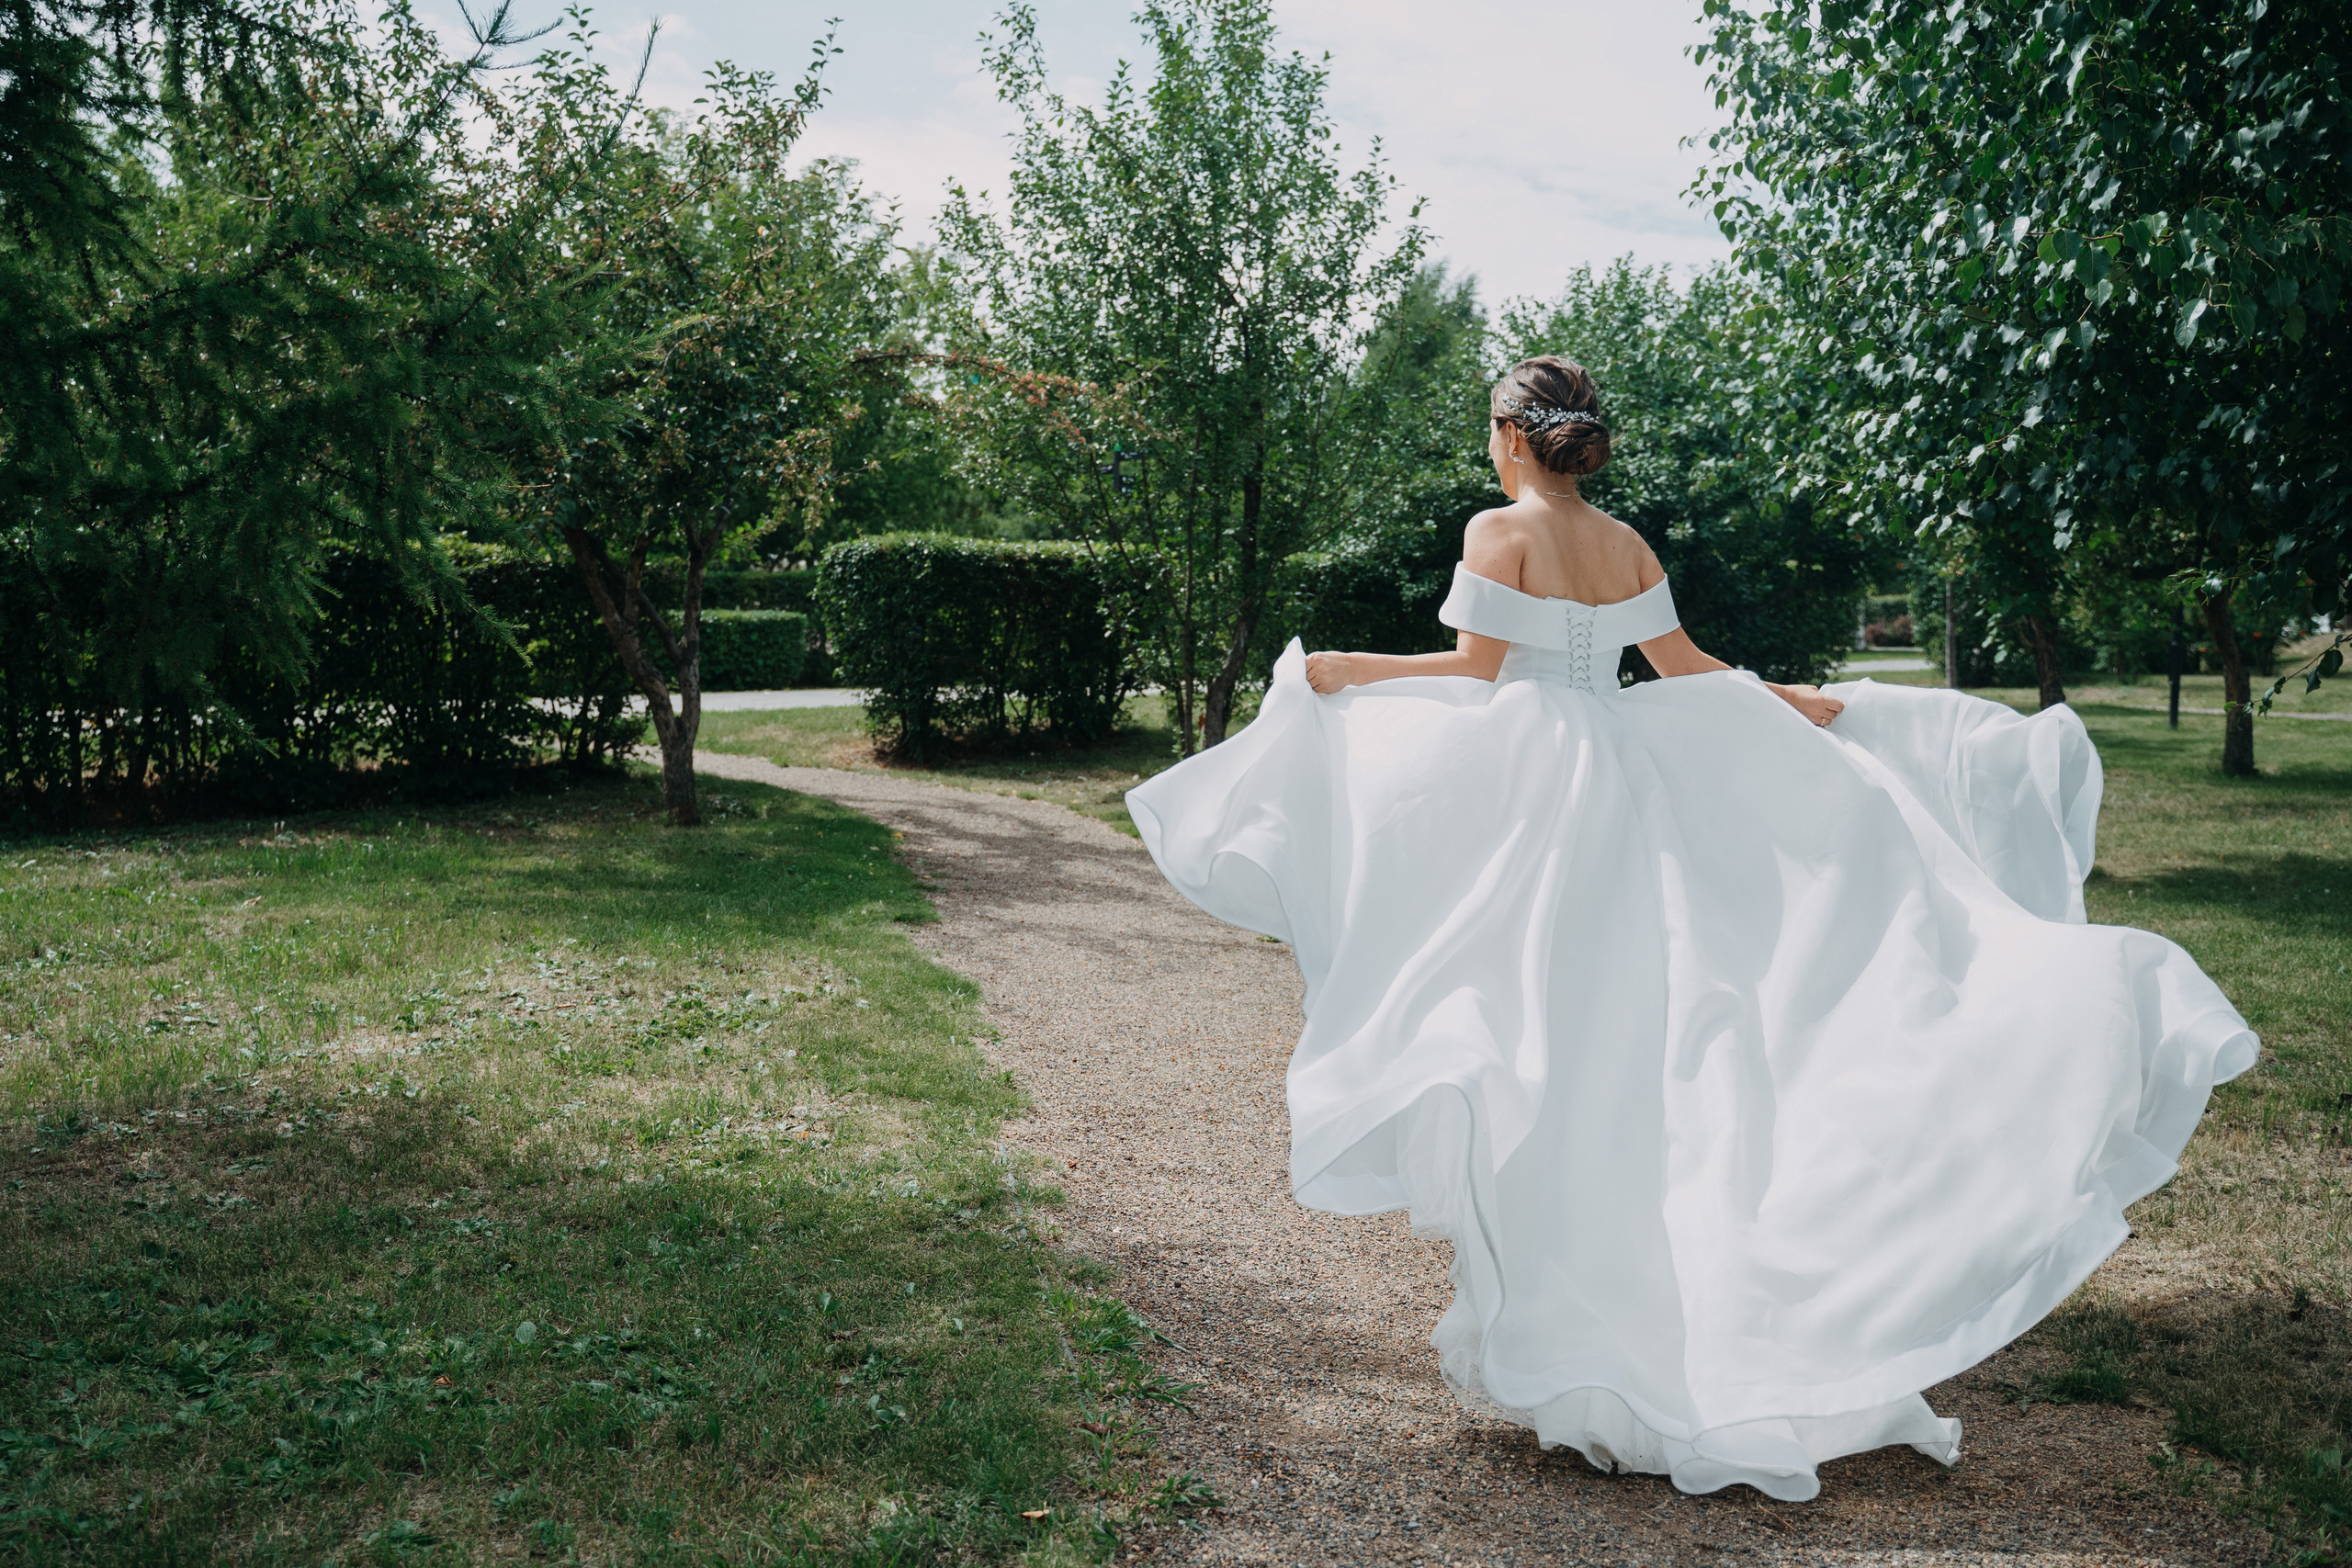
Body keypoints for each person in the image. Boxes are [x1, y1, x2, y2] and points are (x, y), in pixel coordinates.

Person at [1125, 355, 2256, 1502]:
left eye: (1487, 428)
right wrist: (1791, 703)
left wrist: (1347, 672)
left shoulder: (1492, 529)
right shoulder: (1625, 546)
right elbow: (1684, 670)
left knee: (1542, 1034)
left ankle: (1596, 1332)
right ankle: (1665, 1321)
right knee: (1658, 1030)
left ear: (1514, 438)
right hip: (1624, 774)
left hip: (1535, 792)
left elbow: (1474, 672)